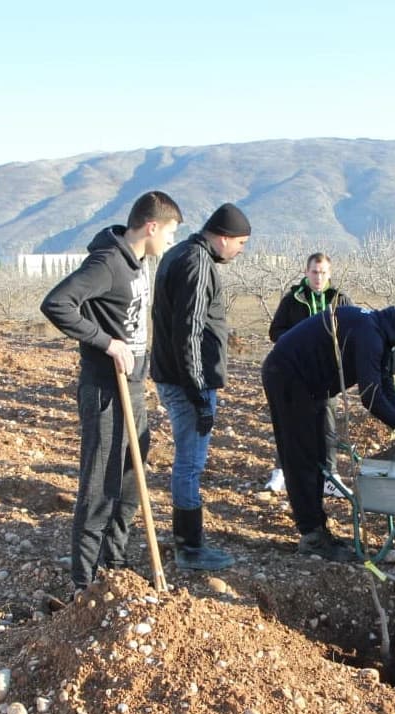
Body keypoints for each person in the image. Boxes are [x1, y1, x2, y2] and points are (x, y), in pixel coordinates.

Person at [40, 191, 183, 593]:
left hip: (132, 388)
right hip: (105, 390)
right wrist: (107, 343)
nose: (170, 240)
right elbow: (57, 303)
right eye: (170, 232)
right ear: (151, 227)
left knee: (131, 481)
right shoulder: (107, 263)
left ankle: (114, 563)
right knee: (100, 487)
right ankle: (84, 583)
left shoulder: (138, 263)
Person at [262, 301, 395, 561]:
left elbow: (384, 382)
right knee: (302, 456)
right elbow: (371, 395)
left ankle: (318, 527)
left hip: (313, 386)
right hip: (288, 377)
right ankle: (311, 535)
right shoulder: (369, 334)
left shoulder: (380, 332)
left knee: (319, 454)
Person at [151, 202, 251, 571]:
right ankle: (189, 548)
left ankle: (188, 543)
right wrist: (198, 394)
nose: (240, 250)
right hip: (187, 383)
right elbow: (188, 332)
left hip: (176, 377)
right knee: (190, 464)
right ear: (223, 238)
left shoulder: (182, 253)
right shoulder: (197, 263)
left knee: (188, 462)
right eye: (240, 243)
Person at [265, 253, 353, 497]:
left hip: (327, 373)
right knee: (290, 421)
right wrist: (297, 341)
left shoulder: (340, 299)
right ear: (306, 272)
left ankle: (330, 476)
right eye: (314, 272)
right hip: (296, 371)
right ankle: (282, 472)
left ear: (330, 274)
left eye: (323, 272)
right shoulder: (293, 299)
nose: (318, 277)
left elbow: (353, 331)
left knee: (327, 424)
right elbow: (275, 331)